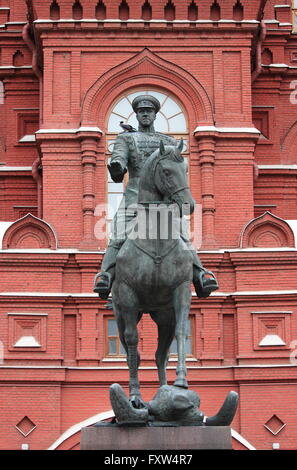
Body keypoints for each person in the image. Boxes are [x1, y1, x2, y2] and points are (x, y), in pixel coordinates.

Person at [94, 94, 218, 299]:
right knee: (119, 230)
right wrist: (117, 166)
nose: (144, 114)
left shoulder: (167, 141)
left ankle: (200, 274)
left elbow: (177, 170)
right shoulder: (126, 138)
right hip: (135, 195)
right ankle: (105, 275)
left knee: (181, 232)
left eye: (148, 111)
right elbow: (119, 158)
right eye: (141, 111)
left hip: (164, 200)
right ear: (136, 114)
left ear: (154, 114)